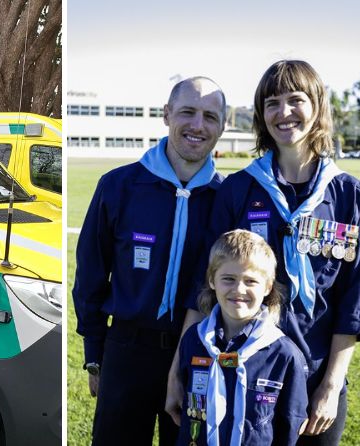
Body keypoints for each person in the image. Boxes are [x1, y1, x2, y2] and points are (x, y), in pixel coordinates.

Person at [168, 60, 360, 445]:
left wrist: (331, 384)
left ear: (317, 106)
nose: (284, 113)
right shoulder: (239, 190)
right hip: (240, 372)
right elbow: (205, 282)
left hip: (316, 374)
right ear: (262, 115)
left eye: (295, 100)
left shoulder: (350, 196)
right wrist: (177, 370)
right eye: (272, 103)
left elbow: (355, 300)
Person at [73, 77, 226, 445]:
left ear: (222, 126)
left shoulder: (226, 200)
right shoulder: (118, 186)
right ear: (166, 114)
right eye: (187, 112)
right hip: (127, 351)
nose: (197, 125)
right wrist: (95, 353)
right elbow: (92, 274)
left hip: (198, 354)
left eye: (210, 116)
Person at [175, 229, 308, 446]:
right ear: (212, 280)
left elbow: (290, 426)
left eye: (250, 281)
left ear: (268, 286)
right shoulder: (195, 340)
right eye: (228, 279)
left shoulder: (284, 354)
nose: (239, 290)